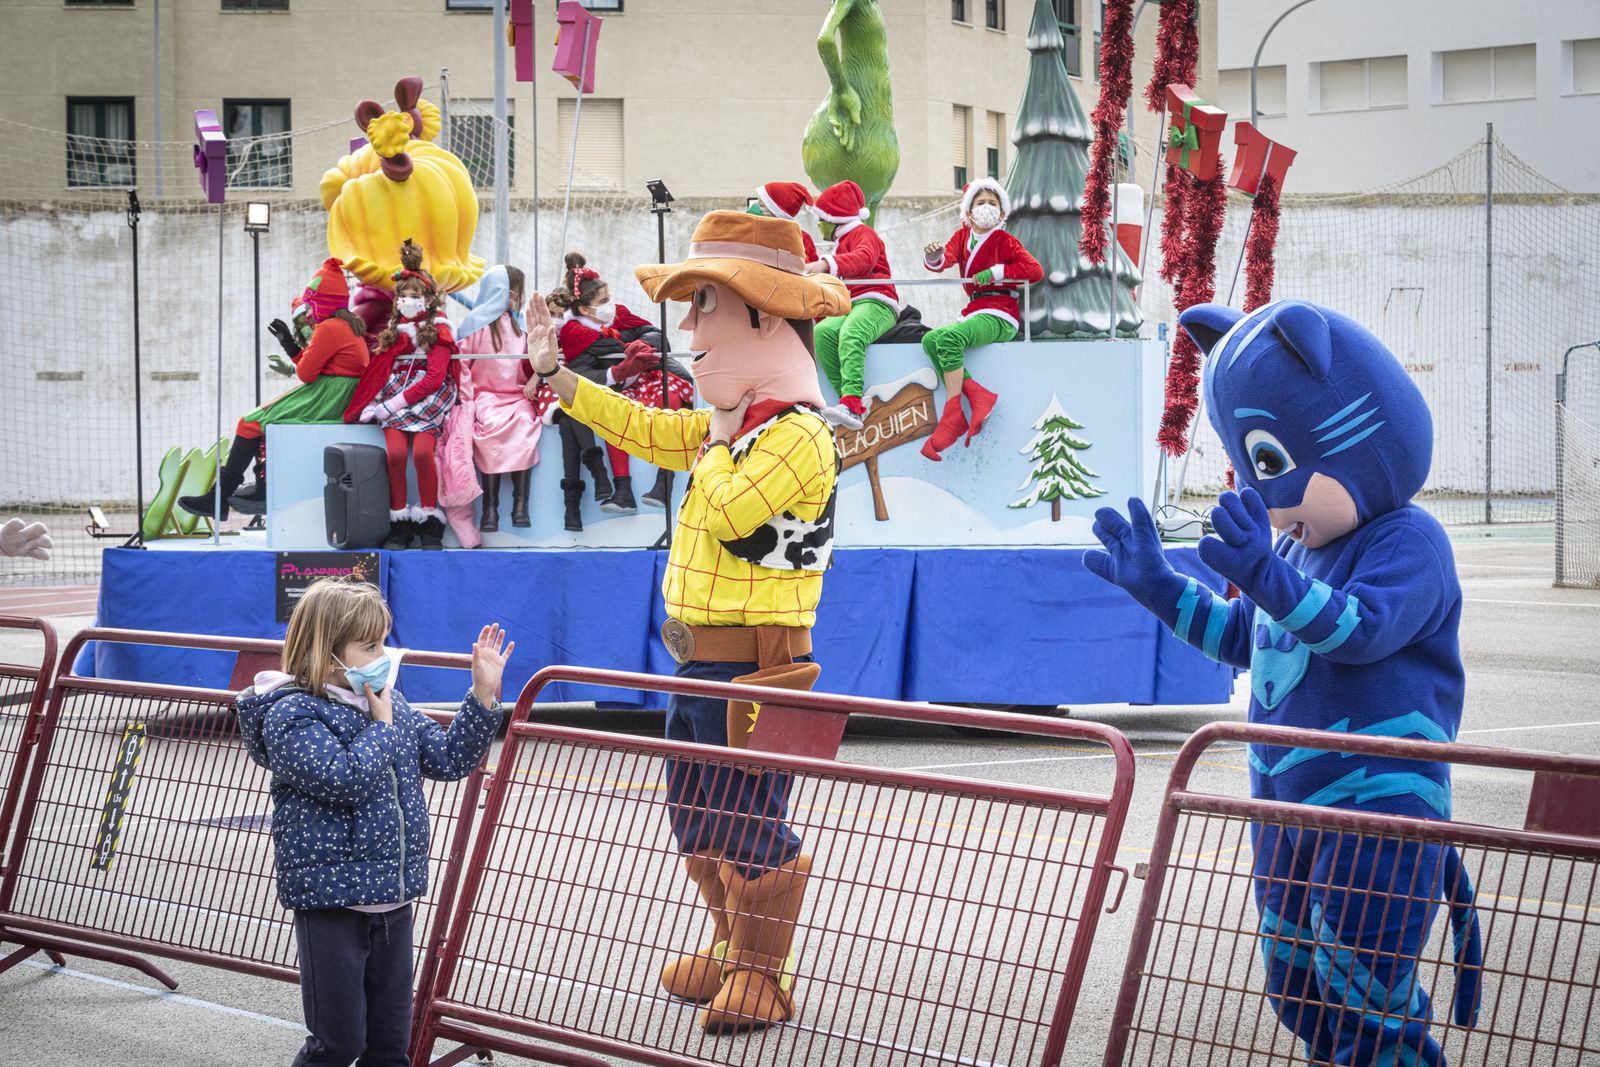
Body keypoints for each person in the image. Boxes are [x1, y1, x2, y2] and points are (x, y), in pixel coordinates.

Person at [1085, 299, 1482, 1066]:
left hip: (1377, 811)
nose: (1266, 500)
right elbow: (1247, 637)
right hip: (1286, 807)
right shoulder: (1298, 553)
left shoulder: (1409, 541)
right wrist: (1162, 588)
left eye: (1270, 465)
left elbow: (1359, 630)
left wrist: (1263, 571)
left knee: (1366, 997)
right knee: (1296, 984)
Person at [527, 209, 849, 1034]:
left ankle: (762, 971)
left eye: (706, 305)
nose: (690, 327)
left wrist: (711, 436)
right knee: (694, 811)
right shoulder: (728, 429)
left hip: (757, 665)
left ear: (767, 320)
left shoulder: (801, 433)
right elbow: (641, 428)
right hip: (698, 661)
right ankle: (730, 942)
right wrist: (558, 377)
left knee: (749, 814)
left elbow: (736, 498)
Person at [235, 577, 510, 1067]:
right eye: (369, 646)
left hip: (393, 896)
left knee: (389, 1044)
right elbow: (344, 780)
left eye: (383, 641)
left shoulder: (387, 702)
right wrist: (380, 727)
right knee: (338, 1044)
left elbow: (448, 759)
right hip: (334, 901)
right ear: (326, 651)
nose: (383, 654)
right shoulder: (293, 714)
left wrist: (482, 696)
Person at [179, 258, 369, 520]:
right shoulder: (350, 325)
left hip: (327, 395)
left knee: (250, 423)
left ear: (321, 302)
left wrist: (290, 346)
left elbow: (306, 373)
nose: (310, 314)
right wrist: (292, 347)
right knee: (263, 421)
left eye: (311, 306)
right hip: (337, 393)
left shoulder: (329, 328)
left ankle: (223, 497)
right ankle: (253, 488)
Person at [344, 241, 460, 551]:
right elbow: (379, 369)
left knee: (422, 453)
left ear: (428, 299)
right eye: (403, 296)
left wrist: (389, 406)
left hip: (427, 394)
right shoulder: (395, 330)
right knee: (395, 455)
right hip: (395, 391)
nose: (408, 301)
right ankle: (399, 522)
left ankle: (430, 522)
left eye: (415, 296)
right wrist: (373, 401)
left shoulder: (439, 330)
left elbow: (435, 377)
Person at [918, 178, 1044, 460]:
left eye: (992, 203)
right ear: (969, 212)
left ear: (1001, 214)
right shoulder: (962, 237)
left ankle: (952, 414)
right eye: (980, 202)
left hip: (1000, 313)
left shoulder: (1005, 240)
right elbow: (945, 260)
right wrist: (936, 257)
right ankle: (976, 394)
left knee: (949, 338)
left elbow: (1035, 271)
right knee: (929, 340)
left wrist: (998, 271)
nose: (986, 207)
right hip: (975, 311)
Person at [805, 179, 898, 430]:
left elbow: (864, 259)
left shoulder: (864, 234)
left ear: (835, 218)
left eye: (821, 218)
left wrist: (825, 264)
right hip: (851, 305)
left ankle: (852, 403)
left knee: (852, 333)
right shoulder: (840, 243)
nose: (818, 223)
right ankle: (851, 403)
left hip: (878, 302)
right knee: (822, 334)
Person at [454, 265, 541, 531]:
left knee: (526, 425)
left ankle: (520, 506)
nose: (517, 295)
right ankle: (490, 510)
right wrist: (468, 402)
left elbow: (539, 360)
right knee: (487, 431)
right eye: (515, 289)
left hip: (518, 396)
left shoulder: (524, 325)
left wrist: (536, 378)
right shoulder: (473, 324)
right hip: (485, 398)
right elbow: (463, 366)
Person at [748, 181, 818, 263]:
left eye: (761, 205)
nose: (754, 207)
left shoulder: (801, 238)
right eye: (757, 202)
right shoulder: (749, 229)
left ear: (777, 213)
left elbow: (811, 270)